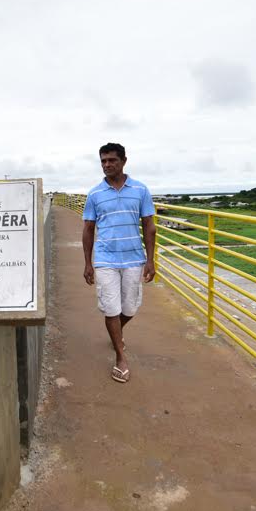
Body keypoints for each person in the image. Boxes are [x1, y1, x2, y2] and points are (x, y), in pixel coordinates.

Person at [82, 142, 156, 383]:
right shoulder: (94, 194)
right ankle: (120, 356)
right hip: (105, 260)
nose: (107, 165)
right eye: (103, 161)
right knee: (111, 308)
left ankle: (116, 333)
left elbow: (149, 226)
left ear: (124, 161)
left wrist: (151, 261)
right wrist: (88, 263)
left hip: (134, 257)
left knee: (130, 308)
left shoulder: (141, 190)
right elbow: (88, 229)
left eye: (112, 160)